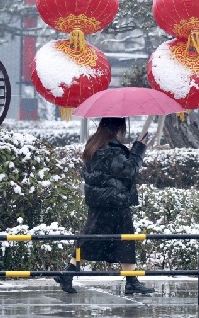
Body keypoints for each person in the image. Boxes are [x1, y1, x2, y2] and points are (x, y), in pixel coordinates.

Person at [55, 117, 154, 295]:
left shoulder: (94, 145)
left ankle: (69, 272)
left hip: (99, 201)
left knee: (89, 238)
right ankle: (131, 281)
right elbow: (129, 170)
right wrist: (139, 148)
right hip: (116, 201)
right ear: (117, 128)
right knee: (126, 240)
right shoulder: (112, 151)